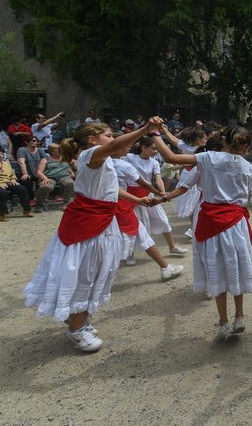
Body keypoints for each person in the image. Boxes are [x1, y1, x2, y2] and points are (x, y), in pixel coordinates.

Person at [23, 119, 160, 351]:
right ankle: (75, 329)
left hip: (101, 222)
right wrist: (145, 130)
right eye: (108, 135)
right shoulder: (91, 154)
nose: (113, 139)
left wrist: (136, 199)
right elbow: (115, 146)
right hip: (86, 226)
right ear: (92, 139)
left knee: (97, 272)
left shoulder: (103, 160)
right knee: (83, 275)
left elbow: (110, 188)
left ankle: (81, 321)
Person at [151, 123, 252, 340]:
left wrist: (153, 133)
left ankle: (224, 322)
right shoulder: (247, 167)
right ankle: (240, 316)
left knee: (216, 268)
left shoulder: (209, 159)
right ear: (245, 146)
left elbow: (171, 158)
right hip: (236, 224)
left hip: (211, 223)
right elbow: (248, 193)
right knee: (235, 265)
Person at [111, 145, 183, 281]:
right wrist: (159, 194)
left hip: (123, 201)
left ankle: (166, 262)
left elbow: (156, 178)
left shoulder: (99, 162)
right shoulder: (124, 163)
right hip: (123, 203)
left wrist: (158, 194)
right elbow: (141, 183)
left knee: (145, 230)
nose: (129, 146)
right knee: (134, 235)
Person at [126, 137, 187, 256]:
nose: (156, 152)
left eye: (157, 149)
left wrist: (163, 192)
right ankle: (130, 254)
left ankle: (172, 246)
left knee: (163, 220)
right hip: (132, 196)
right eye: (153, 148)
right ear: (143, 147)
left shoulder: (154, 162)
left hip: (148, 194)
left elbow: (158, 178)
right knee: (135, 224)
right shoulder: (130, 158)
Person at [34, 142, 75, 212]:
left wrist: (72, 173)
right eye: (58, 149)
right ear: (52, 151)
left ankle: (66, 203)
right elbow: (39, 172)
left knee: (70, 183)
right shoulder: (45, 160)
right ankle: (39, 204)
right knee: (46, 186)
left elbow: (66, 167)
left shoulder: (64, 158)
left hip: (64, 177)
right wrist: (45, 178)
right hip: (50, 177)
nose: (61, 151)